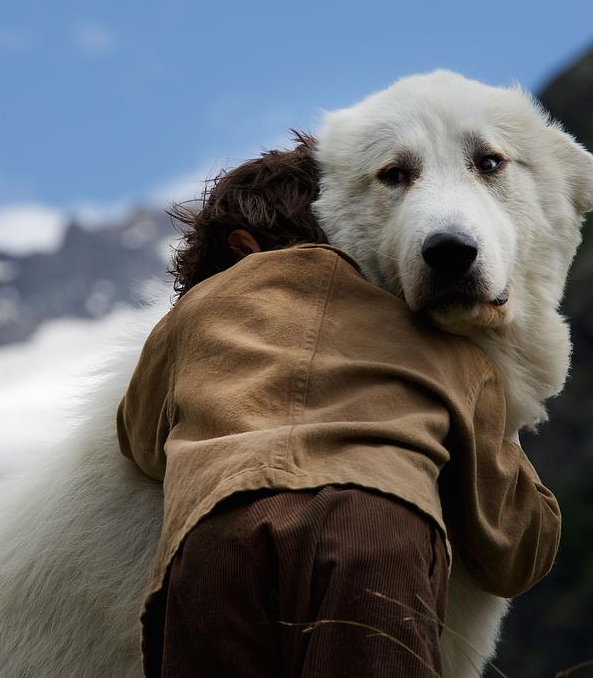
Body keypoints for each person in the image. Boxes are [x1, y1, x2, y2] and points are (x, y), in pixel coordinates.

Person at [116, 134, 561, 678]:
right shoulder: (437, 339)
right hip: (373, 529)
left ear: (239, 251)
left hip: (216, 535)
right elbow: (509, 544)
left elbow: (140, 439)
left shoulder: (198, 313)